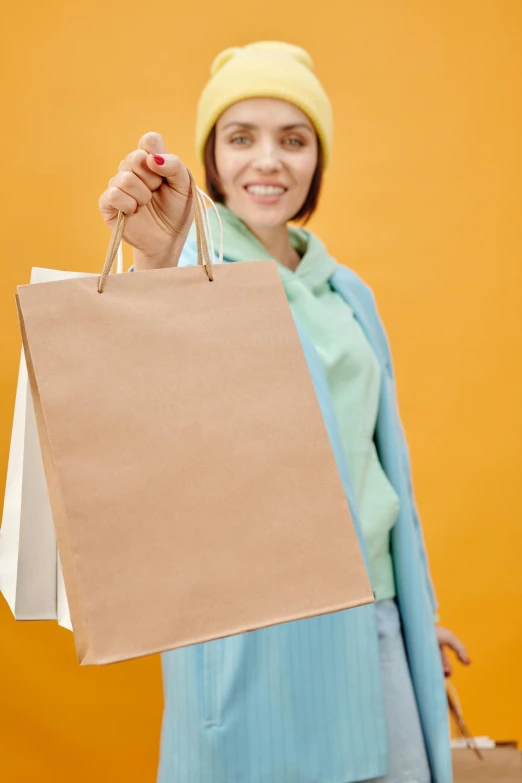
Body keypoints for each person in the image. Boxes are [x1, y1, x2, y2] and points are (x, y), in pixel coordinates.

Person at [99, 41, 469, 783]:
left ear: (316, 163)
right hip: (256, 634)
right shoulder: (195, 277)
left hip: (375, 615)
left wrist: (412, 617)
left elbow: (375, 467)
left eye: (293, 140)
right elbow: (148, 418)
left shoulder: (348, 291)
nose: (268, 160)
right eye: (242, 137)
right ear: (211, 158)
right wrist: (153, 267)